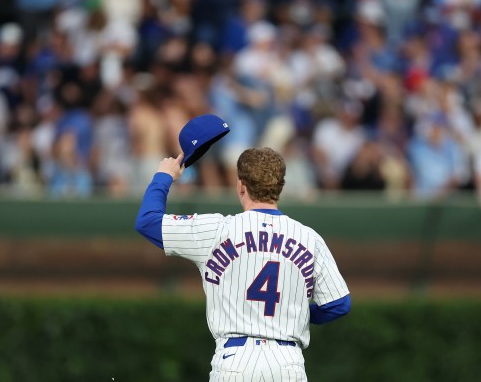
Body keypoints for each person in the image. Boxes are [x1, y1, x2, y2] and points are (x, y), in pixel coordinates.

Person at [135, 147, 350, 381]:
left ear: (241, 186)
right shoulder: (309, 238)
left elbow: (148, 222)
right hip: (288, 362)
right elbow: (338, 304)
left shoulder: (217, 229)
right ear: (279, 187)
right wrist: (294, 312)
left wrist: (164, 176)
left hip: (235, 361)